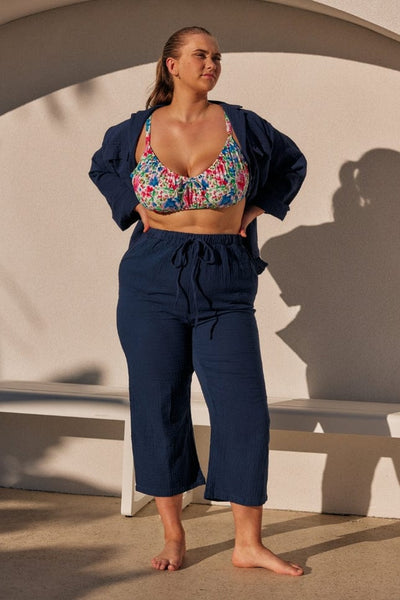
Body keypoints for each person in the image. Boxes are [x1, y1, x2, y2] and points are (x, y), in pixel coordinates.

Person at [89, 25, 306, 574]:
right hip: (151, 276)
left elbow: (291, 163)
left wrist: (254, 211)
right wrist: (135, 209)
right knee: (159, 403)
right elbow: (102, 166)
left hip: (224, 276)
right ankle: (173, 535)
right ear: (172, 66)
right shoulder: (136, 131)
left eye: (216, 56)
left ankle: (248, 543)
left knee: (243, 409)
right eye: (200, 55)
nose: (211, 63)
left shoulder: (243, 125)